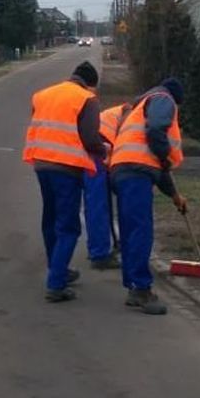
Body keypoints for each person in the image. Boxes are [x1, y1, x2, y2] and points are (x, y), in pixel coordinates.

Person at [23, 61, 107, 302]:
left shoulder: (43, 95)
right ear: (91, 84)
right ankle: (56, 284)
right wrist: (103, 152)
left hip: (41, 163)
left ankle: (57, 267)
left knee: (50, 219)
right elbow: (90, 138)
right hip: (66, 168)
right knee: (68, 226)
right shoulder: (86, 99)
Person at [110, 78, 188, 315]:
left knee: (131, 230)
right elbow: (156, 131)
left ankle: (134, 286)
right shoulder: (164, 99)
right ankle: (141, 289)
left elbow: (159, 169)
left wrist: (175, 196)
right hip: (136, 172)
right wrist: (164, 156)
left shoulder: (141, 105)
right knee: (141, 231)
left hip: (123, 171)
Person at [83, 102, 131, 271]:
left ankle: (97, 248)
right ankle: (99, 254)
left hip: (95, 148)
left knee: (96, 204)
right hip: (99, 150)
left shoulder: (119, 111)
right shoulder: (130, 113)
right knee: (98, 205)